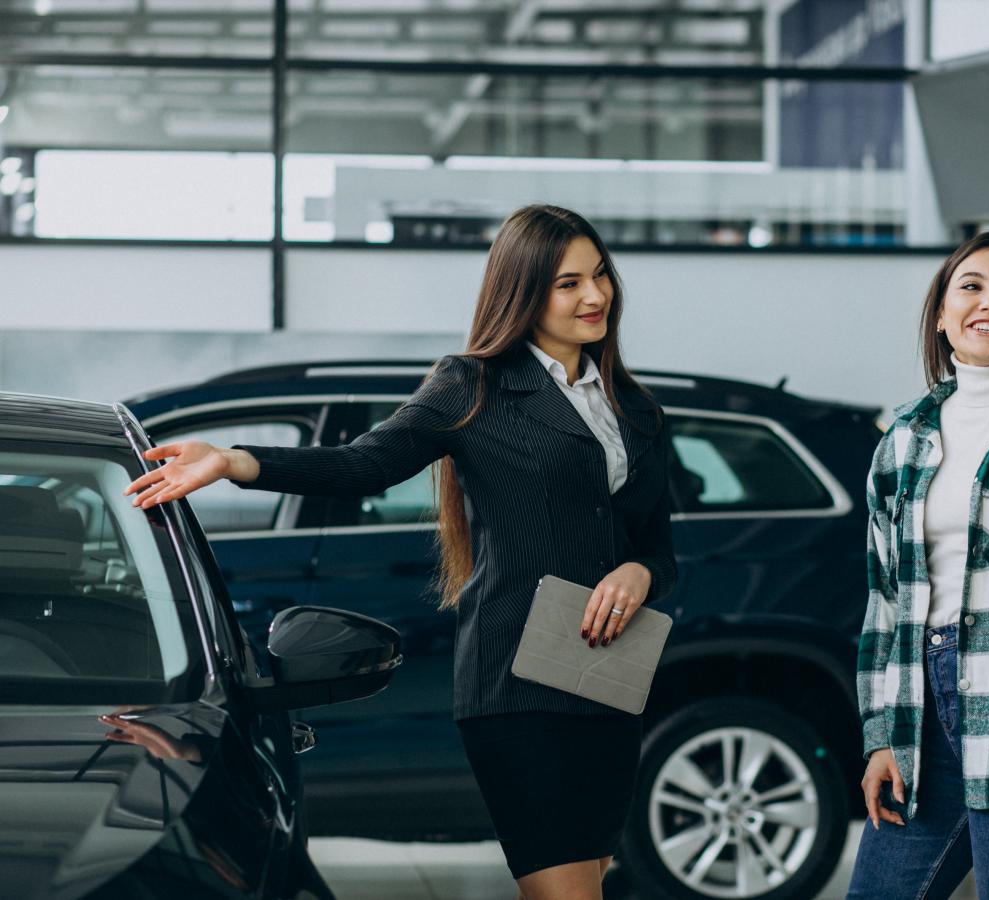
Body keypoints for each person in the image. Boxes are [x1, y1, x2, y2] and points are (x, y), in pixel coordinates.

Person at [124, 204, 677, 900]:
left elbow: (660, 548)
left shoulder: (635, 409)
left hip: (608, 674)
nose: (595, 295)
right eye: (568, 283)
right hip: (519, 681)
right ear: (523, 292)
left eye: (600, 275)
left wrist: (638, 572)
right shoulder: (471, 385)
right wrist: (235, 460)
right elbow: (363, 464)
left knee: (589, 879)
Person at [848, 233, 989, 899]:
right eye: (971, 287)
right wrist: (881, 736)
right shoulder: (902, 439)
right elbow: (884, 601)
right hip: (920, 716)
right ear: (941, 314)